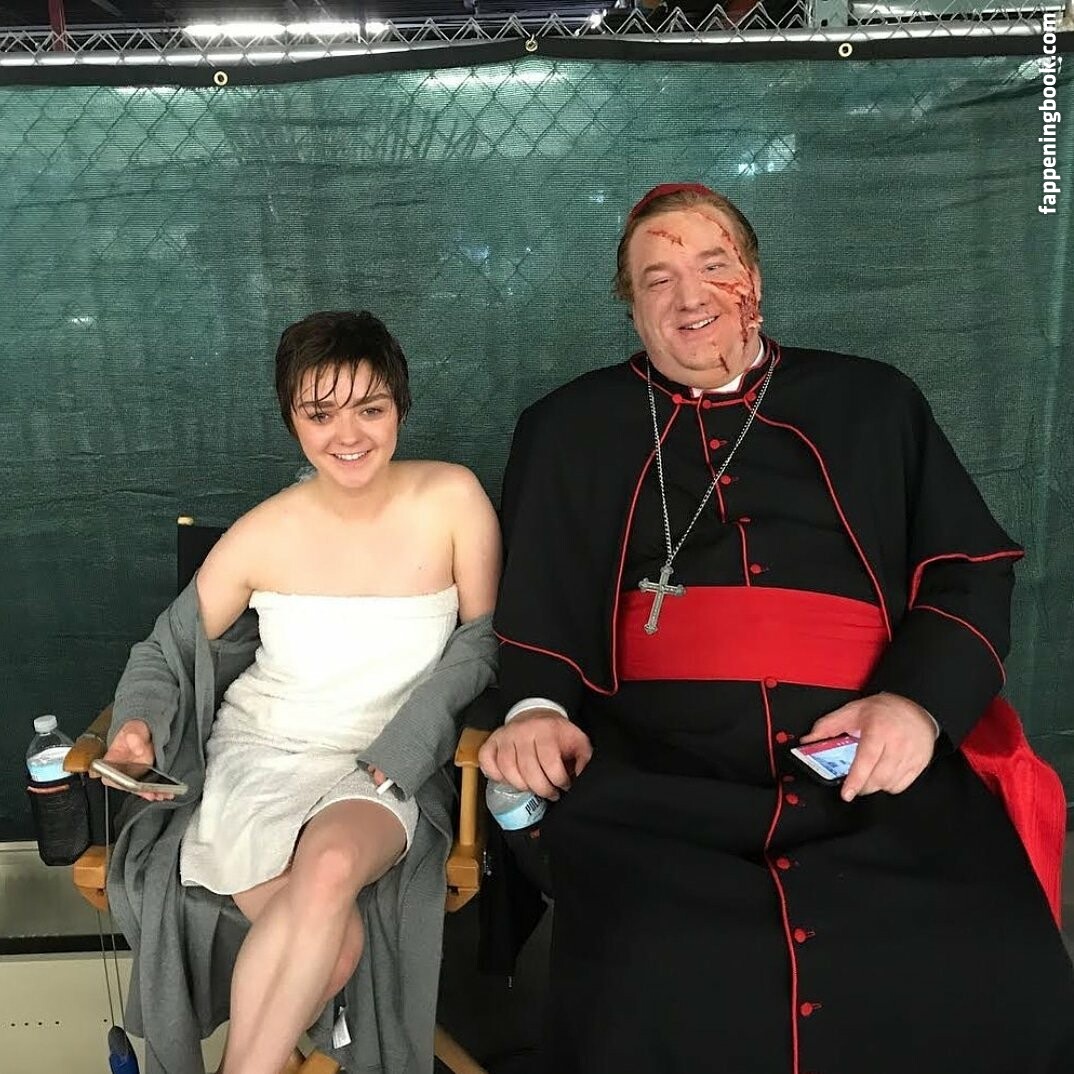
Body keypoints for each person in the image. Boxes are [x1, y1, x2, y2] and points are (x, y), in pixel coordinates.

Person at [481, 183, 1074, 1073]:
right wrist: (535, 710)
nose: (689, 296)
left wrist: (914, 707)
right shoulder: (567, 428)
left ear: (754, 280)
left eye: (714, 266)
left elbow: (967, 571)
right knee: (643, 974)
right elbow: (540, 603)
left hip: (868, 770)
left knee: (996, 960)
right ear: (630, 306)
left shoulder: (873, 402)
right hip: (659, 781)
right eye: (657, 279)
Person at [98, 310, 501, 1074]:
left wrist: (408, 747)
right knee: (337, 944)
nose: (348, 436)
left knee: (331, 866)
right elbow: (162, 650)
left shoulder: (453, 498)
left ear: (401, 406)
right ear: (292, 419)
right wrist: (137, 727)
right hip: (262, 754)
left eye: (370, 408)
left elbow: (482, 643)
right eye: (320, 414)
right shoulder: (262, 533)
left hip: (385, 760)